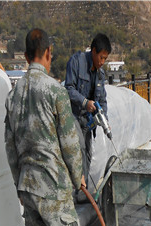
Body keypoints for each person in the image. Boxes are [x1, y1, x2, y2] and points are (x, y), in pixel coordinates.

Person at [4, 28, 101, 226]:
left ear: (24, 55)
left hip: (27, 187)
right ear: (48, 53)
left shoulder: (13, 96)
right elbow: (70, 143)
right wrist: (77, 176)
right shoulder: (54, 91)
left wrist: (19, 185)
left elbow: (9, 147)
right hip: (53, 188)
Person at [64, 33, 112, 190]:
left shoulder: (100, 74)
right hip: (74, 116)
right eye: (101, 57)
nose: (102, 62)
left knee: (88, 155)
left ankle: (81, 191)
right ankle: (77, 191)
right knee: (80, 151)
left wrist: (104, 119)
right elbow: (68, 89)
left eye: (105, 59)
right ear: (94, 51)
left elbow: (102, 100)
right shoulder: (76, 62)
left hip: (87, 121)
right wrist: (85, 103)